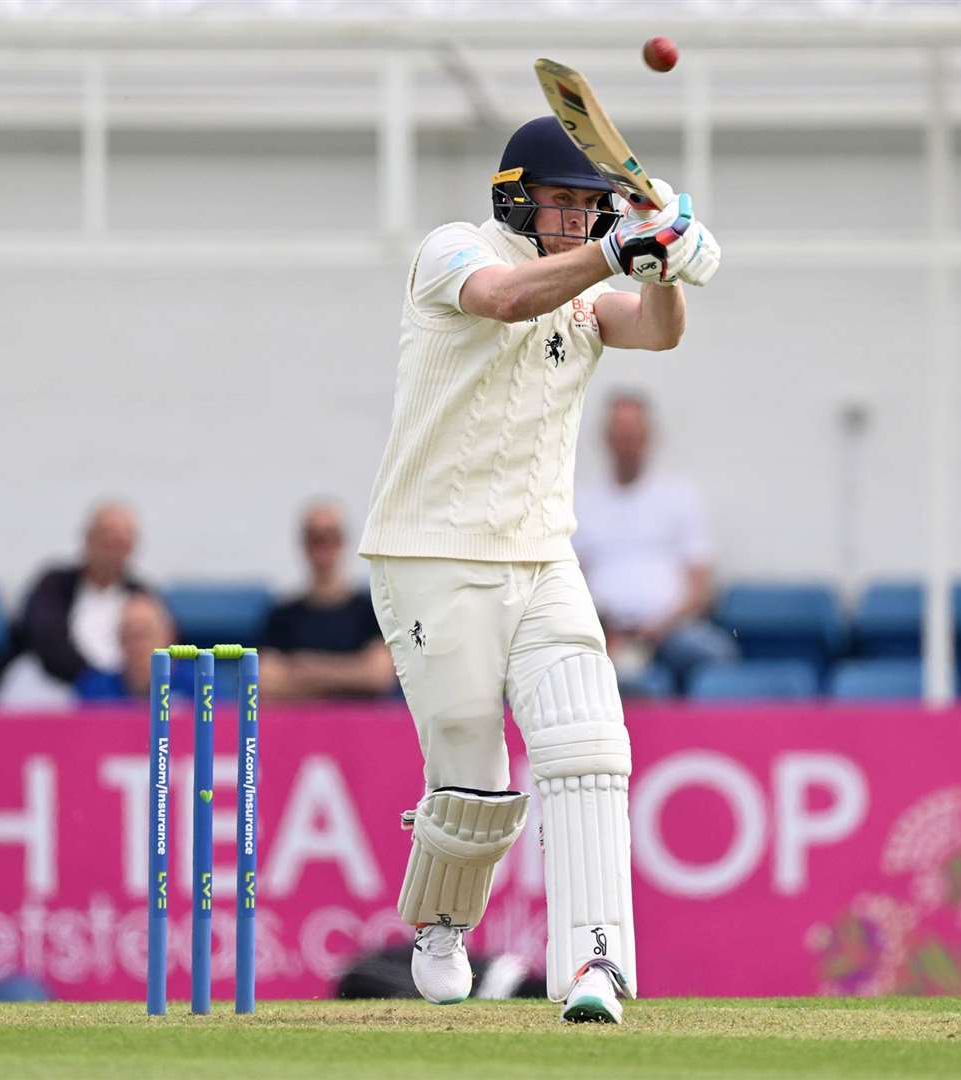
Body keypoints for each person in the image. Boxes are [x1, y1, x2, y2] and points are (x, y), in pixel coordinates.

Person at [357, 116, 720, 1024]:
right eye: (564, 202)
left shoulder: (592, 284)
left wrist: (662, 263)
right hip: (430, 552)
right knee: (474, 779)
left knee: (589, 745)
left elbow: (658, 334)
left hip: (542, 553)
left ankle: (595, 966)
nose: (578, 218)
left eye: (590, 206)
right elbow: (507, 300)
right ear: (516, 195)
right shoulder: (453, 252)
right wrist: (617, 245)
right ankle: (441, 924)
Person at [575, 392, 738, 692]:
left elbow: (701, 585)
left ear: (649, 437)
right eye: (620, 435)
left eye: (634, 434)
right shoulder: (580, 501)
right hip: (602, 631)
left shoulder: (680, 496)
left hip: (671, 630)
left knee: (715, 653)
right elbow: (570, 578)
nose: (627, 444)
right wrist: (604, 626)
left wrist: (659, 627)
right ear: (606, 439)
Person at [0, 500, 152, 705]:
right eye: (106, 538)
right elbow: (48, 641)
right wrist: (96, 683)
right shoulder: (54, 585)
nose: (113, 550)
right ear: (88, 539)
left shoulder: (142, 595)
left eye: (121, 542)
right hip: (56, 686)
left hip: (121, 696)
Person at [256, 501, 395, 700]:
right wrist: (350, 676)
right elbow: (264, 680)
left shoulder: (370, 612)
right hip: (295, 726)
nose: (323, 548)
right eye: (316, 539)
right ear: (304, 545)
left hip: (361, 727)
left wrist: (308, 668)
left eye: (330, 537)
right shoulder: (282, 615)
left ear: (342, 542)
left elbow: (379, 676)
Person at [75, 593, 177, 701]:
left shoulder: (194, 684)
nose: (138, 644)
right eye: (129, 635)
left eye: (145, 634)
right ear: (119, 639)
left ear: (168, 636)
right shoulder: (95, 689)